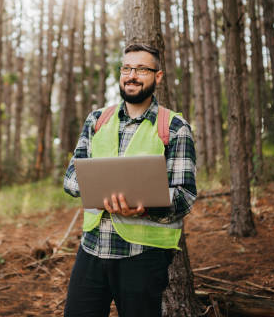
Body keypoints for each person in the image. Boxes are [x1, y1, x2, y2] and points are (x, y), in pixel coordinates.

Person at [63, 43, 197, 317]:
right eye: (127, 68)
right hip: (92, 249)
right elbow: (70, 179)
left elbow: (185, 196)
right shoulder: (97, 120)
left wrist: (146, 206)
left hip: (142, 257)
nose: (132, 75)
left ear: (157, 77)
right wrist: (99, 191)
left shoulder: (174, 128)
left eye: (142, 69)